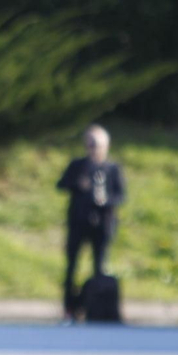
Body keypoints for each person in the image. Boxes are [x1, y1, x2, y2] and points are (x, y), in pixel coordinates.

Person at [56, 124, 126, 321]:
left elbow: (121, 196)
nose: (93, 149)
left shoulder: (112, 168)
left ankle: (95, 309)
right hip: (78, 223)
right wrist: (78, 184)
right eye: (90, 144)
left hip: (102, 225)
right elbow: (61, 184)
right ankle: (69, 308)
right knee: (71, 267)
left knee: (100, 268)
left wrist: (105, 201)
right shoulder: (78, 166)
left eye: (97, 145)